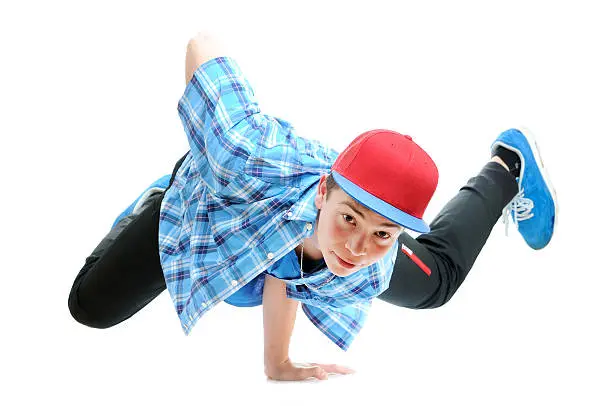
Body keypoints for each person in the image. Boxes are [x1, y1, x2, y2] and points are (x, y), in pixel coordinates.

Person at [67, 32, 557, 381]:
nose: (357, 248)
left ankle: (507, 167)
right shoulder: (240, 155)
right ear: (324, 193)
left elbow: (292, 270)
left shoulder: (367, 254)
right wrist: (209, 142)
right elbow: (202, 45)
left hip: (306, 214)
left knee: (435, 284)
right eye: (350, 220)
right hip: (206, 206)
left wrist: (276, 364)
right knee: (89, 307)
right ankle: (161, 197)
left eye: (383, 234)